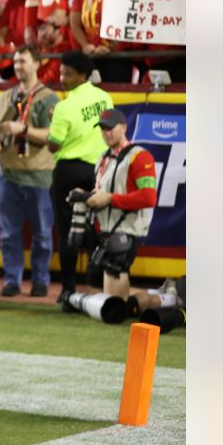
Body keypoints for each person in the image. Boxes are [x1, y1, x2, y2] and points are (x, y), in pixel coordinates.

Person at [0, 46, 59, 297]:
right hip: (7, 172)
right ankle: (12, 280)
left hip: (38, 174)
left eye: (24, 61)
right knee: (8, 233)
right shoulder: (5, 96)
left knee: (42, 234)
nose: (18, 66)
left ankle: (40, 280)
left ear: (37, 63)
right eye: (16, 62)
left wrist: (24, 130)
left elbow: (53, 135)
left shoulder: (49, 98)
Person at [71, 108, 158, 303]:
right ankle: (152, 299)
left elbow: (149, 198)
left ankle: (160, 300)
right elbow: (102, 192)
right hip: (103, 231)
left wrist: (110, 199)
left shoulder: (139, 157)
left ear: (124, 127)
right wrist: (86, 196)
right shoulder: (103, 157)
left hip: (123, 231)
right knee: (96, 292)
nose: (106, 133)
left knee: (112, 301)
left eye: (110, 128)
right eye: (102, 128)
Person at [48, 51, 114, 303]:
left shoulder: (64, 107)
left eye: (67, 73)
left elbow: (54, 145)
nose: (62, 78)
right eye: (61, 72)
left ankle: (68, 290)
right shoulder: (105, 98)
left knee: (67, 233)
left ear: (82, 75)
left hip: (68, 171)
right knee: (97, 230)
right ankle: (96, 288)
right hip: (98, 172)